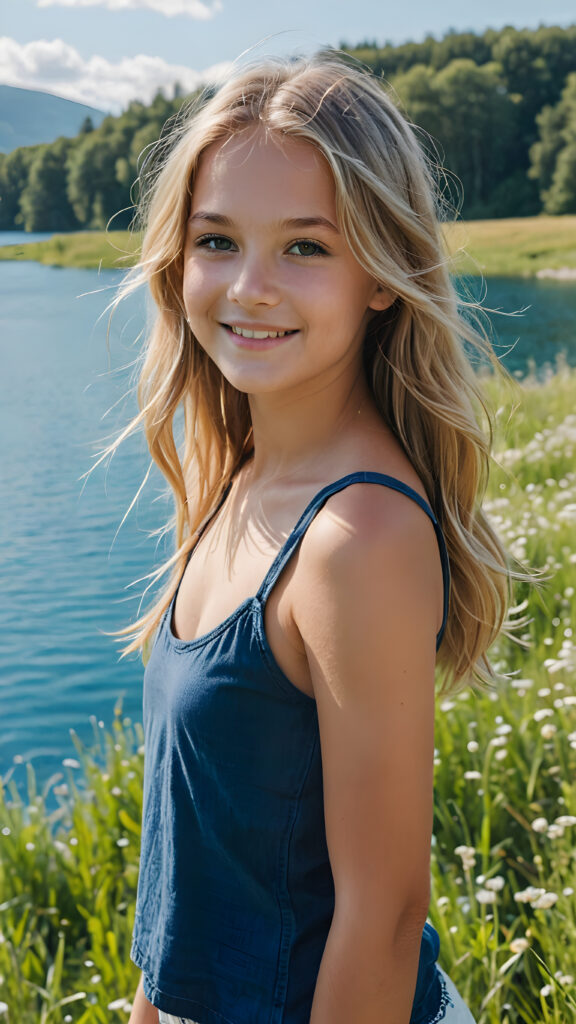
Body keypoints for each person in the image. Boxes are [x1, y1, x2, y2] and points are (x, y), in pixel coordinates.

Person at [116, 52, 513, 1024]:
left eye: (304, 248)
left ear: (382, 275)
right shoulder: (241, 470)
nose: (249, 286)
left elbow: (382, 919)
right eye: (218, 239)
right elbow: (195, 848)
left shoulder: (357, 534)